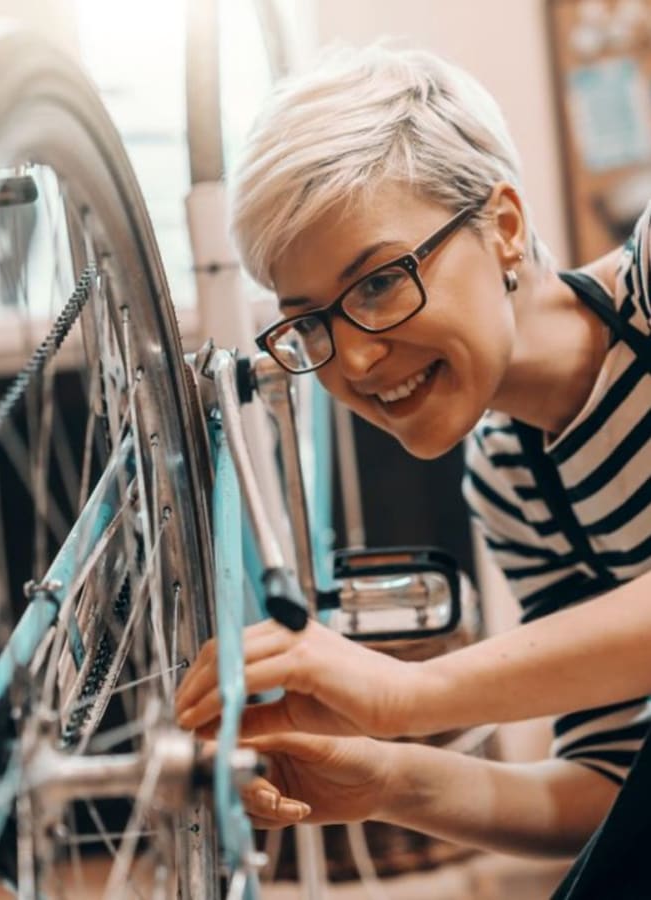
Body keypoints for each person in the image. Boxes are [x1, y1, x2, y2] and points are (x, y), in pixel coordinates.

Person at [176, 43, 651, 864]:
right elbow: (614, 787)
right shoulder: (512, 479)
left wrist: (411, 693)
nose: (352, 361)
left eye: (377, 284)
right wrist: (388, 781)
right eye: (313, 322)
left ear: (504, 228)